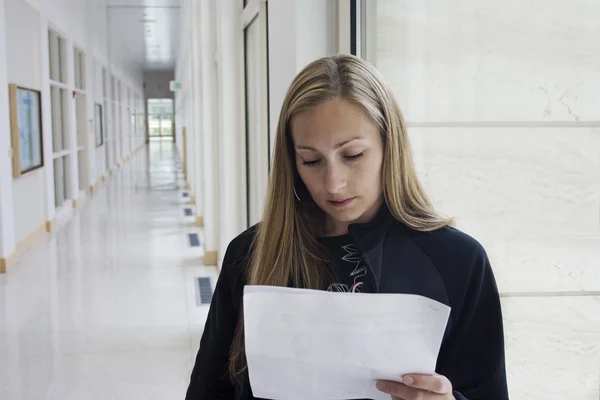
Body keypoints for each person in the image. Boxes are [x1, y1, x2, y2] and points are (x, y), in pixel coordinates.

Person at [185, 54, 509, 400]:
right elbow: (210, 388)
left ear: (390, 145)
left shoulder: (458, 261)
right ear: (292, 162)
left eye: (353, 155)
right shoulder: (252, 253)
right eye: (311, 160)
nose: (333, 183)